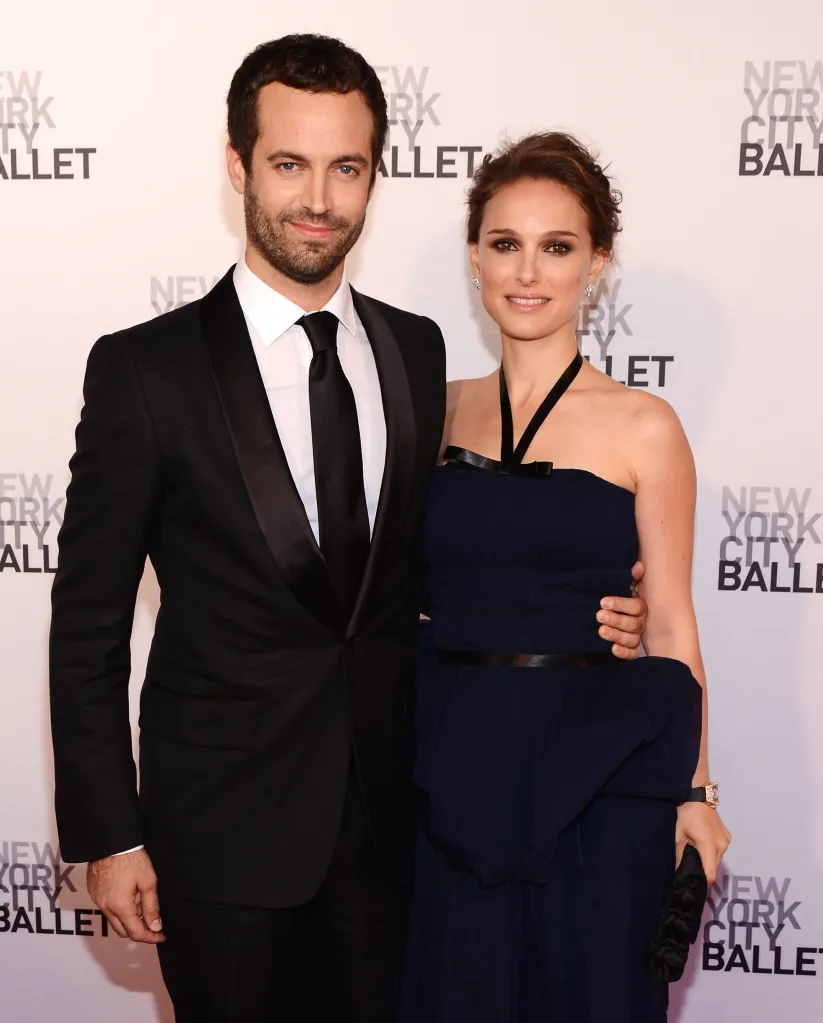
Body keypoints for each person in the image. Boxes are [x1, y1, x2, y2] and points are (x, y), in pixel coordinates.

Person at [48, 37, 648, 1023]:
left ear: (375, 174)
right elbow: (86, 627)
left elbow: (428, 575)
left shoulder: (414, 353)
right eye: (289, 163)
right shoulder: (145, 371)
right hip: (220, 843)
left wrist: (592, 623)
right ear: (238, 165)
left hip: (398, 832)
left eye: (346, 167)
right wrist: (110, 836)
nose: (318, 198)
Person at [399, 132, 732, 1023]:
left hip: (598, 775)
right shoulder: (424, 408)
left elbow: (667, 624)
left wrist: (696, 791)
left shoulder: (643, 426)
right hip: (448, 768)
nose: (527, 271)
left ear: (597, 263)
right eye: (505, 243)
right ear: (475, 256)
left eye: (557, 246)